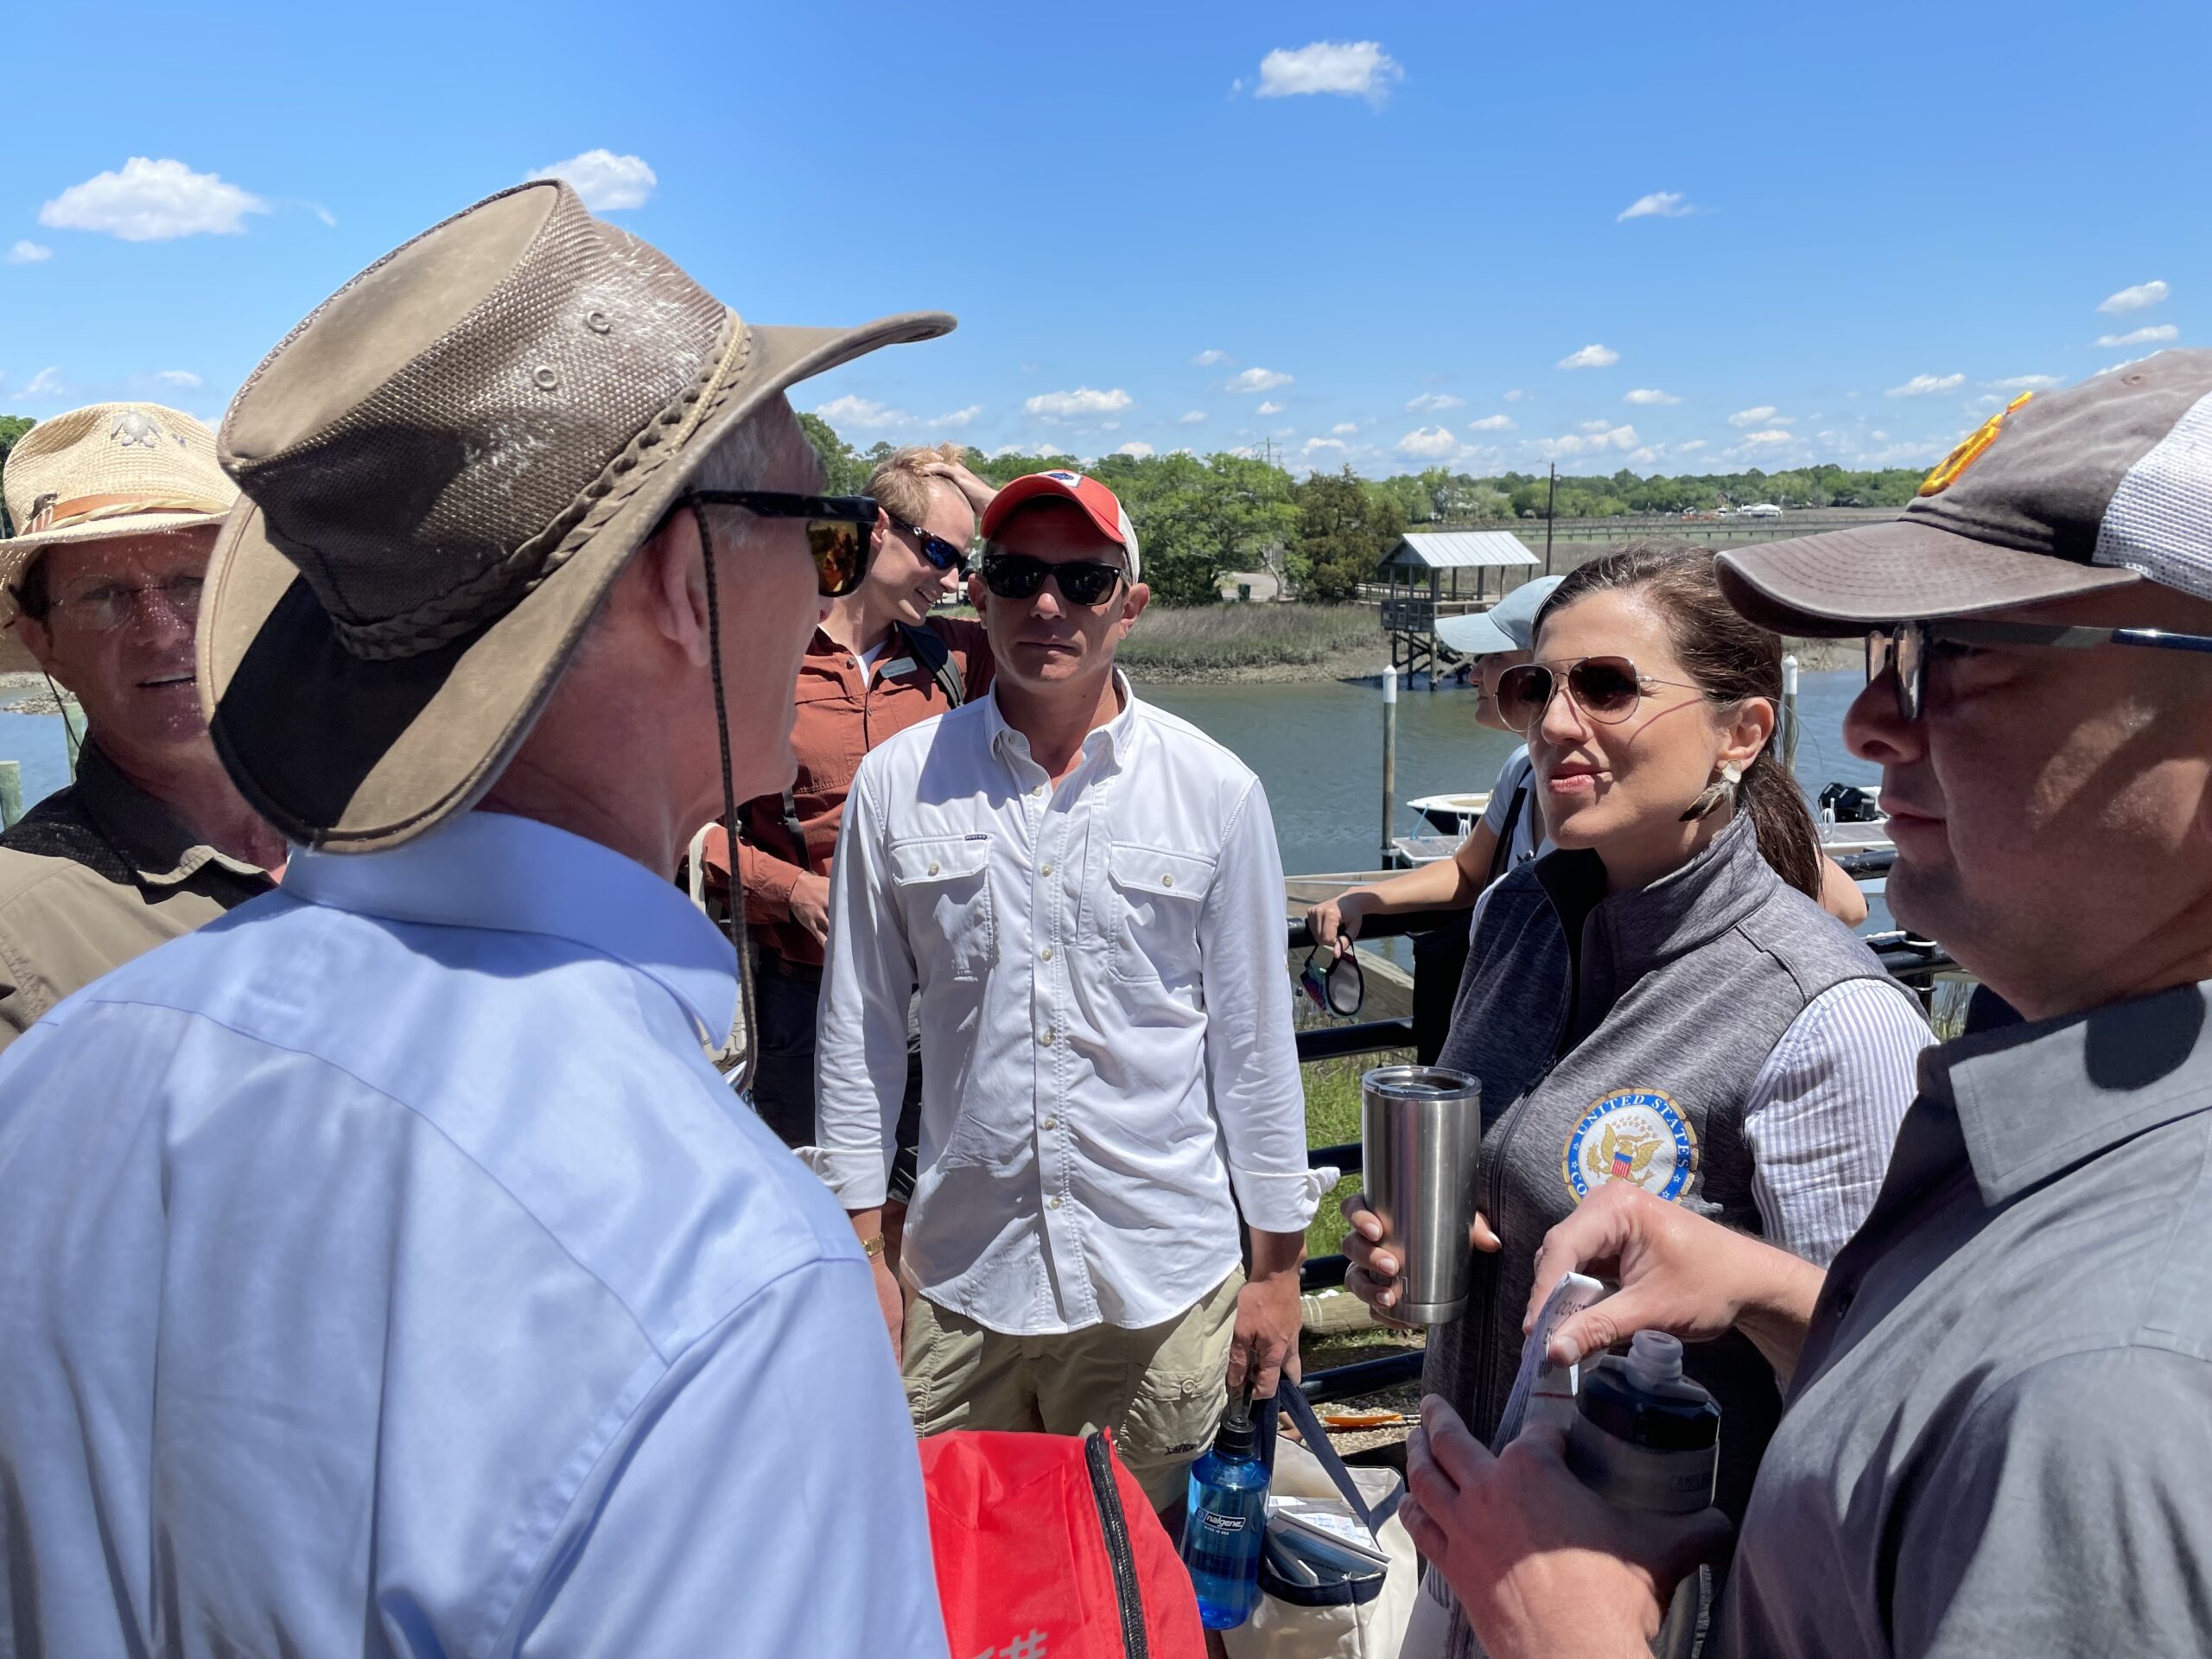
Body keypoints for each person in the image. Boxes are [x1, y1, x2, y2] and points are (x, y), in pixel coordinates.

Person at [0, 180, 954, 1656]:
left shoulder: (62, 1076)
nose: (830, 597)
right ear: (679, 583)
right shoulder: (719, 1269)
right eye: (820, 533)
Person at [1399, 349, 2212, 1659]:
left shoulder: (2126, 1381)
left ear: (1738, 735)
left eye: (1973, 652)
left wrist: (1583, 1639)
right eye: (1894, 653)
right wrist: (1778, 1293)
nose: (1881, 721)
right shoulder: (2037, 1131)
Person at [1338, 543, 1932, 1655]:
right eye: (1536, 688)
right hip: (1467, 1552)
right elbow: (1515, 1194)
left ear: (1740, 731)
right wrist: (1430, 1249)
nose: (1558, 723)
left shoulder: (1824, 1016)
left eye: (1607, 687)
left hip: (1653, 1609)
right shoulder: (1516, 917)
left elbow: (1887, 1391)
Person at [811, 468, 1326, 1510]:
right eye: (1016, 574)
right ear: (980, 593)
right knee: (951, 1582)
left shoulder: (1217, 791)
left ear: (1129, 606)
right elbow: (857, 1031)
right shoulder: (895, 783)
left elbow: (1256, 1052)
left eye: (1085, 580)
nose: (1048, 605)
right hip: (958, 1285)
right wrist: (863, 1251)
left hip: (1160, 1287)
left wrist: (1277, 1273)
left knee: (1139, 1587)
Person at [731, 442, 996, 1244]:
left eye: (963, 561)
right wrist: (790, 888)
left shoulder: (958, 656)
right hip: (801, 998)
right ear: (877, 530)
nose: (952, 579)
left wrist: (976, 492)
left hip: (934, 994)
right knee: (812, 1213)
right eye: (942, 554)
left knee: (925, 1211)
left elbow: (1084, 557)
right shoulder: (762, 652)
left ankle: (917, 1369)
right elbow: (695, 827)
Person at [0, 404, 284, 1047]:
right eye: (103, 595)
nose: (161, 633)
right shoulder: (19, 938)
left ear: (254, 600)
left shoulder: (401, 827)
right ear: (42, 642)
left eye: (191, 582)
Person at [1306, 575, 1563, 963]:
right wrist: (1364, 899)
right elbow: (1467, 874)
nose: (1474, 674)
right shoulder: (1521, 771)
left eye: (1495, 658)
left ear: (1538, 673)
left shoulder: (1600, 799)